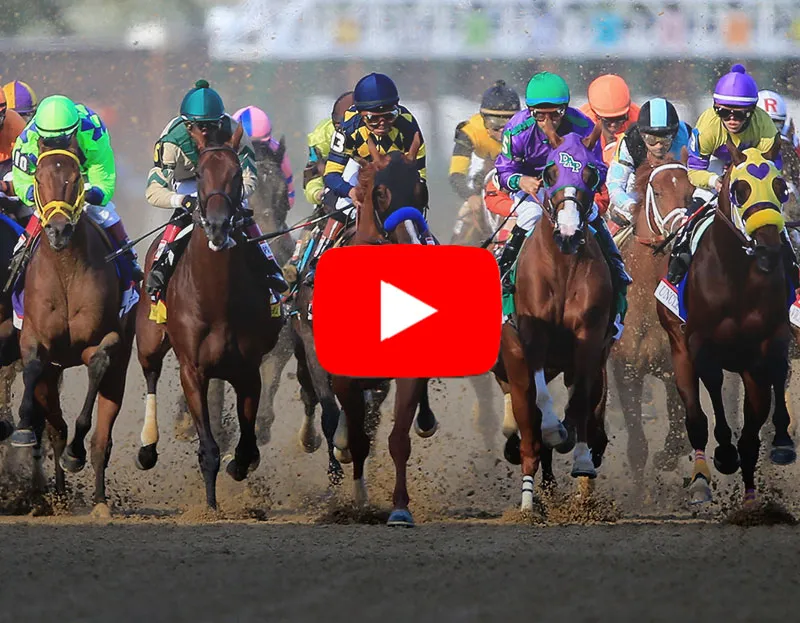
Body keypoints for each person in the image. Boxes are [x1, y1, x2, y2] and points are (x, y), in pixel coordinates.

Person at [494, 71, 631, 337]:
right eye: (539, 115)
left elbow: (600, 169)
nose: (548, 122)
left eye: (555, 114)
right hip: (534, 189)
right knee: (530, 216)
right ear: (530, 111)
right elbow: (503, 171)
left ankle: (617, 269)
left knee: (593, 217)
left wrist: (583, 182)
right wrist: (520, 181)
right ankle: (504, 272)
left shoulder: (583, 127)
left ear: (565, 109)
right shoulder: (517, 129)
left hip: (572, 192)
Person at [144, 79, 287, 307]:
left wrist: (233, 196)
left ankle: (270, 266)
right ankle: (160, 265)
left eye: (211, 125)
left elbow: (250, 178)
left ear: (220, 121)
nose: (205, 131)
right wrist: (182, 200)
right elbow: (153, 192)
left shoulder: (234, 130)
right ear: (186, 124)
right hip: (188, 183)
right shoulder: (171, 142)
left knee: (243, 214)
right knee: (182, 216)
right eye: (198, 126)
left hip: (222, 182)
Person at [667, 64, 789, 284]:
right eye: (724, 112)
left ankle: (792, 266)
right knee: (692, 215)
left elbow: (773, 170)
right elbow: (694, 171)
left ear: (752, 112)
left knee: (776, 221)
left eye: (739, 114)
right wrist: (715, 181)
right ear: (716, 109)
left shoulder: (765, 126)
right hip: (715, 165)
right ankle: (679, 259)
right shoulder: (707, 128)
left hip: (754, 170)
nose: (731, 119)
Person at [9, 94, 143, 282]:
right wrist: (36, 195)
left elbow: (103, 176)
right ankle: (19, 255)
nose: (56, 146)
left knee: (104, 212)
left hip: (83, 175)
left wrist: (94, 193)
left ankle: (128, 257)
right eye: (49, 141)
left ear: (74, 131)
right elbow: (21, 180)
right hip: (49, 179)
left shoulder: (93, 131)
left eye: (62, 140)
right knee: (41, 212)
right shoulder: (27, 141)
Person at [313, 72, 428, 263]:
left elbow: (419, 177)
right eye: (373, 119)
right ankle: (318, 258)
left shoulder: (408, 125)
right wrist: (350, 192)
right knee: (342, 208)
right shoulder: (348, 127)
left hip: (397, 174)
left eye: (389, 116)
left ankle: (428, 245)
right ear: (361, 115)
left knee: (412, 212)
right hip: (359, 167)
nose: (382, 124)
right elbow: (331, 175)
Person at [281, 91, 354, 287]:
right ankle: (296, 266)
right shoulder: (322, 137)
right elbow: (312, 175)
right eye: (339, 126)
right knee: (315, 224)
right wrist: (319, 193)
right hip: (333, 199)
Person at [607, 97, 692, 227]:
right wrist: (631, 207)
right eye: (651, 139)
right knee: (619, 216)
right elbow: (614, 185)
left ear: (674, 134)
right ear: (641, 135)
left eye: (665, 139)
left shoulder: (687, 136)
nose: (658, 146)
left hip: (677, 192)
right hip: (638, 190)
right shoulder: (630, 141)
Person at [449, 79, 520, 202]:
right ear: (483, 120)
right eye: (495, 124)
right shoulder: (470, 131)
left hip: (518, 176)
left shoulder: (528, 130)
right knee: (469, 210)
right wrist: (470, 196)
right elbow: (456, 174)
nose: (502, 131)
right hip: (482, 175)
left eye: (509, 124)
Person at [231, 105, 295, 209]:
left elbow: (289, 193)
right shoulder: (225, 150)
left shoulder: (275, 149)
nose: (256, 152)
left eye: (261, 146)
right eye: (250, 144)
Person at [580, 73, 641, 166]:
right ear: (595, 113)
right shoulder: (580, 123)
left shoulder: (639, 119)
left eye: (620, 118)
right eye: (607, 120)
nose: (613, 125)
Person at [0, 87, 29, 221]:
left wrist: (6, 186)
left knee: (26, 208)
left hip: (10, 165)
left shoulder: (16, 125)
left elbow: (30, 177)